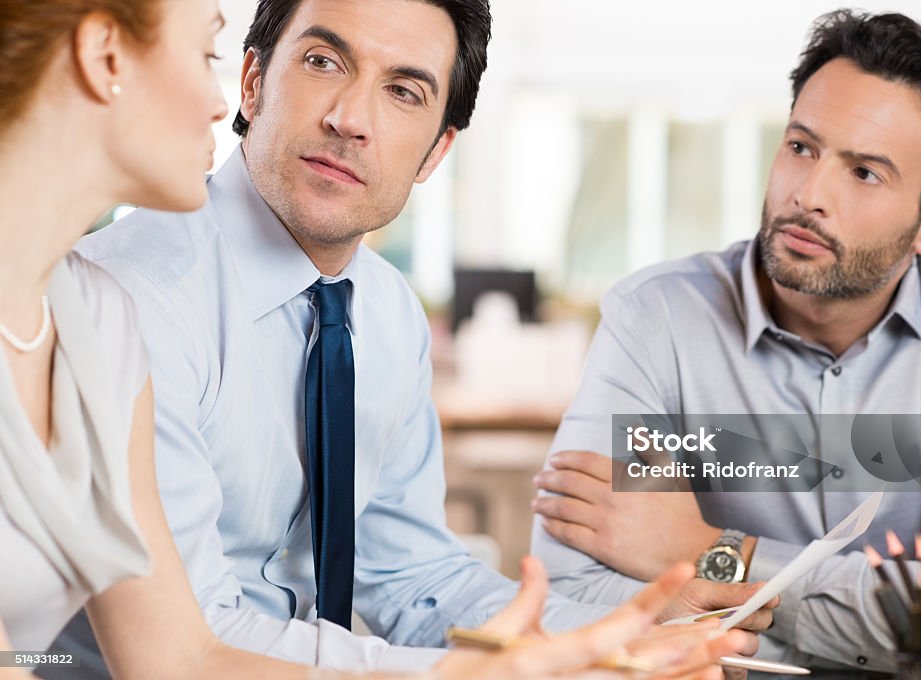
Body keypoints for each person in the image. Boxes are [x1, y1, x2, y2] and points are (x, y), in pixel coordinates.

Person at [0, 0, 754, 679]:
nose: (350, 118)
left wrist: (617, 638)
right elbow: (190, 645)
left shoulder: (387, 314)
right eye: (324, 61)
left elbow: (415, 579)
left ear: (436, 153)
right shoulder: (132, 300)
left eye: (403, 91)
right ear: (254, 83)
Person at [530, 8, 921, 673]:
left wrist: (714, 551)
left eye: (865, 173)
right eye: (802, 146)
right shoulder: (655, 319)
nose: (808, 194)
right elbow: (571, 595)